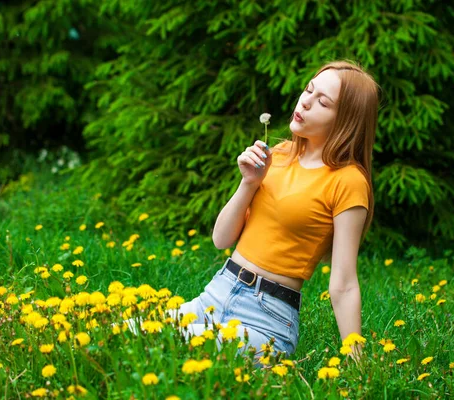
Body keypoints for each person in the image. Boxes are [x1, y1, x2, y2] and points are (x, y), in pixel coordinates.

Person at [127, 60, 378, 364]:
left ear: (345, 121)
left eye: (322, 102)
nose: (305, 102)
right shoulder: (280, 155)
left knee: (171, 352)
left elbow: (344, 283)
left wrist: (357, 360)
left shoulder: (348, 180)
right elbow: (221, 240)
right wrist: (249, 183)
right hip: (215, 294)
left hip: (265, 318)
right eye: (308, 90)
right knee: (122, 334)